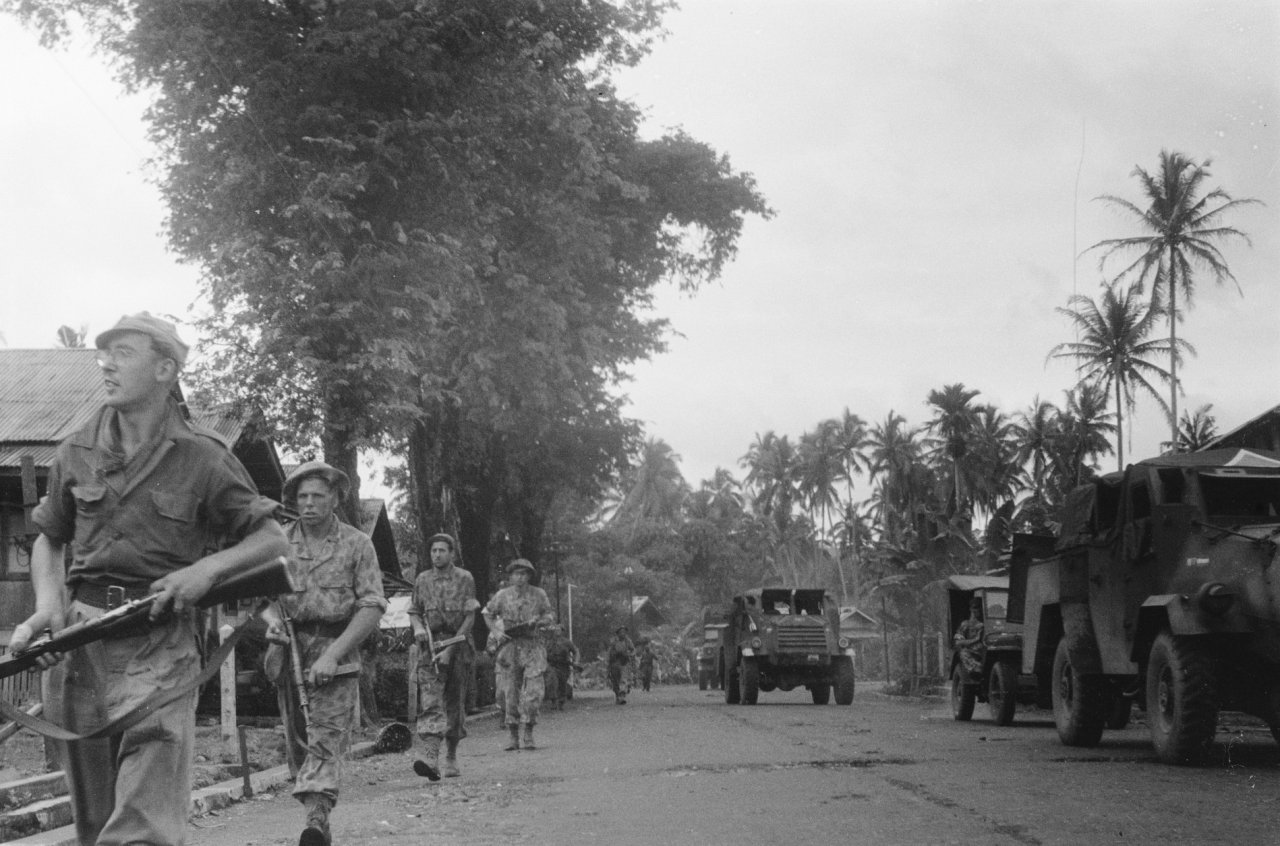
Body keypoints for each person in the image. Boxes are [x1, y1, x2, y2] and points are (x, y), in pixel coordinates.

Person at [11, 312, 289, 846]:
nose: (106, 364)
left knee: (143, 828)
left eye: (123, 353)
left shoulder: (204, 455)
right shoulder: (77, 449)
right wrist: (47, 606)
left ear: (165, 369)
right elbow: (49, 539)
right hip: (81, 642)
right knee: (95, 826)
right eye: (104, 353)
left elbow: (272, 540)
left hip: (160, 640)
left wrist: (204, 572)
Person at [262, 461, 387, 846]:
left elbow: (372, 606)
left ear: (335, 498)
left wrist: (333, 654)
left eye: (318, 496)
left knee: (326, 738)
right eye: (302, 496)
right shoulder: (279, 543)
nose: (309, 503)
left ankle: (315, 819)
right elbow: (261, 598)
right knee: (300, 745)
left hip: (338, 653)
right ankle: (319, 817)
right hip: (290, 655)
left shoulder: (357, 544)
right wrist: (272, 623)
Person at [408, 532, 478, 780]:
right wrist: (418, 627)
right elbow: (414, 611)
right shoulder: (422, 579)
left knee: (454, 704)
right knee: (430, 702)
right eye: (433, 551)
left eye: (442, 550)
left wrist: (450, 649)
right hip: (430, 647)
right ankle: (431, 758)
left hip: (458, 646)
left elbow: (470, 618)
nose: (437, 555)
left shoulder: (465, 578)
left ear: (451, 553)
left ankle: (450, 755)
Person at [482, 559, 554, 751]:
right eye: (516, 574)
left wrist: (538, 621)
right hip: (510, 646)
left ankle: (528, 732)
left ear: (529, 576)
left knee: (534, 691)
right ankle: (513, 735)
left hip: (532, 645)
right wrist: (496, 632)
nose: (520, 577)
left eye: (524, 573)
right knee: (508, 693)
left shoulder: (539, 594)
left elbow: (549, 616)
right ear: (511, 576)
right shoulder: (502, 595)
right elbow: (487, 613)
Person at [544, 624, 579, 710]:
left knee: (562, 684)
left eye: (559, 629)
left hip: (564, 666)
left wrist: (576, 661)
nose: (557, 631)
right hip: (552, 665)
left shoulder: (567, 642)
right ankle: (553, 701)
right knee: (552, 681)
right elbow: (543, 653)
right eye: (555, 630)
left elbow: (576, 651)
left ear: (562, 631)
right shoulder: (548, 642)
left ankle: (561, 702)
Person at [953, 597, 986, 681]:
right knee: (963, 653)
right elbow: (958, 642)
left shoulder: (985, 624)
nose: (978, 610)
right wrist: (975, 640)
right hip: (971, 653)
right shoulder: (965, 624)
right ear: (971, 609)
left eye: (980, 607)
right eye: (975, 607)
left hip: (984, 653)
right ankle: (976, 670)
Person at [606, 626, 635, 705]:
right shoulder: (613, 642)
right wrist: (608, 663)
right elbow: (609, 653)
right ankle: (617, 696)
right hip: (614, 663)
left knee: (623, 679)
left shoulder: (628, 641)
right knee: (615, 681)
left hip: (624, 662)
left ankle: (622, 696)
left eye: (624, 632)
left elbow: (633, 650)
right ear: (618, 634)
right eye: (621, 632)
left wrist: (629, 655)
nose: (623, 634)